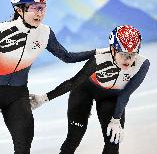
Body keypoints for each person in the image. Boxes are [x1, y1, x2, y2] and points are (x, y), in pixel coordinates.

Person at [0, 0, 103, 154]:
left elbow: (67, 57)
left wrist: (96, 52)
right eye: (35, 8)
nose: (40, 13)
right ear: (19, 9)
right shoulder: (1, 30)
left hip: (17, 96)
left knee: (23, 147)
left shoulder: (45, 33)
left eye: (43, 7)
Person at [30, 25, 150, 154]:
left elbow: (125, 95)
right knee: (74, 138)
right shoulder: (99, 59)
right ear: (113, 50)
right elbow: (73, 82)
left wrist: (116, 120)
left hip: (110, 98)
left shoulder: (142, 65)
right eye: (124, 54)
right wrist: (44, 98)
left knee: (113, 142)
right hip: (84, 92)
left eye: (132, 55)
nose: (128, 60)